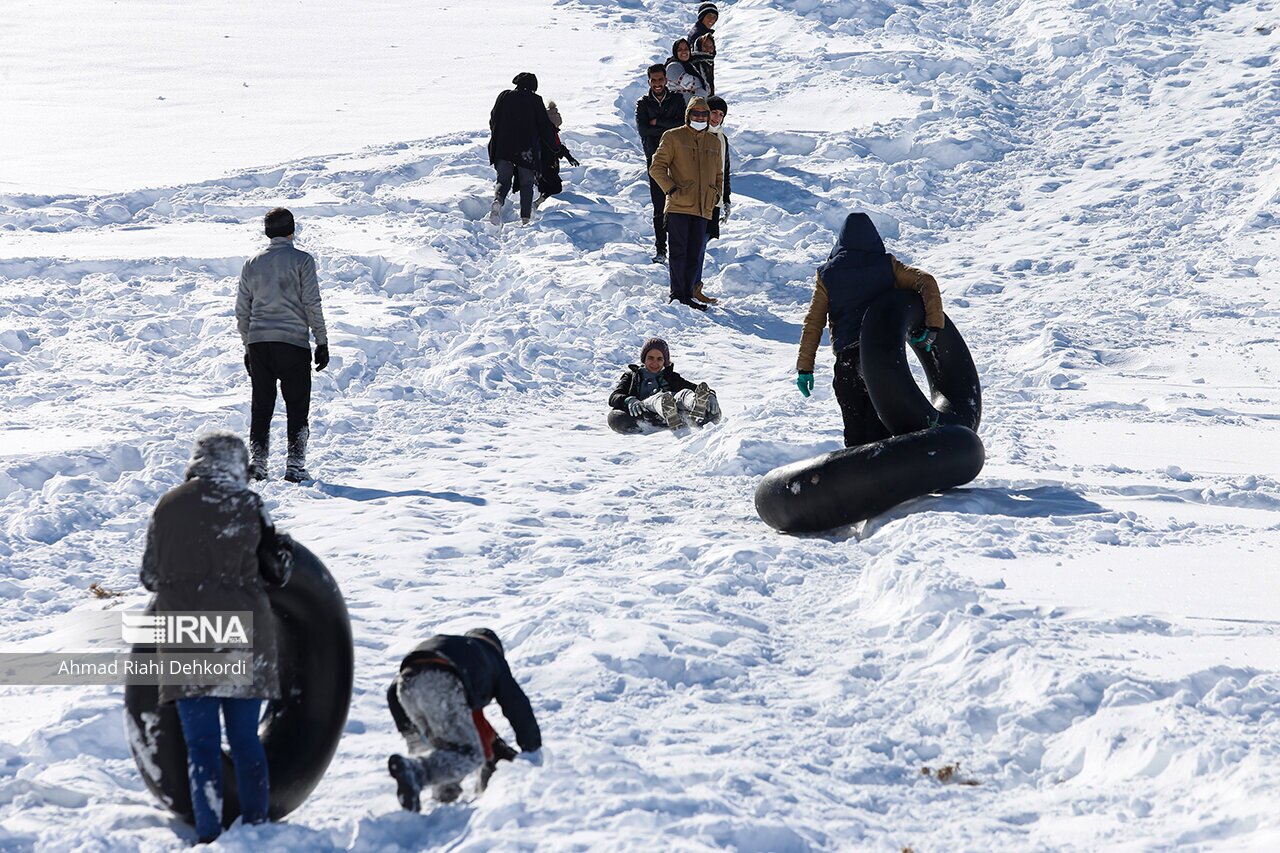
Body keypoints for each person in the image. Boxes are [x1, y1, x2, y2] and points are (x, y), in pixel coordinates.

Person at [141, 431, 293, 844]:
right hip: (244, 636)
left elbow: (149, 577)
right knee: (246, 740)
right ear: (236, 464)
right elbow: (278, 572)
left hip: (185, 637)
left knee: (202, 747)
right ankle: (256, 828)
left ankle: (208, 834)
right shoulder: (248, 505)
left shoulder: (167, 506)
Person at [795, 213, 945, 448]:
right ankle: (896, 474)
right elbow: (925, 280)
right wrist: (933, 325)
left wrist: (805, 368)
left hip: (847, 361)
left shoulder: (828, 274)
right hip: (882, 359)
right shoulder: (887, 266)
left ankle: (858, 477)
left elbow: (813, 323)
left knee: (854, 431)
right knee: (883, 426)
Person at [386, 629, 541, 812]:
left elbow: (393, 691)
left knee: (446, 748)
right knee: (471, 754)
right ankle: (417, 772)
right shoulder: (491, 657)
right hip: (439, 679)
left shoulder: (459, 649)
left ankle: (444, 796)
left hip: (403, 689)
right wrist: (533, 749)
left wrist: (411, 735)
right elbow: (516, 704)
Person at [236, 207, 329, 483]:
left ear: (267, 232)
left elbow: (243, 310)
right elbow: (312, 302)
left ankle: (259, 464)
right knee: (297, 406)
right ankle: (295, 465)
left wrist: (247, 347)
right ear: (292, 231)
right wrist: (321, 340)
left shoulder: (252, 263)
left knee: (261, 406)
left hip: (260, 344)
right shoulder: (302, 261)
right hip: (293, 345)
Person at [649, 97, 722, 311]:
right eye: (695, 114)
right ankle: (678, 295)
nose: (699, 117)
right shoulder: (673, 137)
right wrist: (671, 189)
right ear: (688, 114)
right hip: (679, 205)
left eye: (703, 114)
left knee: (695, 251)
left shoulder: (713, 142)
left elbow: (718, 174)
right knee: (679, 251)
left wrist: (715, 194)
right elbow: (657, 167)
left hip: (703, 207)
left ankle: (689, 293)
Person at [488, 72, 561, 225]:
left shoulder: (504, 96)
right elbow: (543, 126)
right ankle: (525, 218)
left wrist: (499, 138)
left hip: (503, 146)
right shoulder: (535, 100)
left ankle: (497, 201)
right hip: (526, 150)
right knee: (526, 183)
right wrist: (555, 147)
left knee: (503, 180)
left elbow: (493, 118)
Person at [609, 337, 720, 430]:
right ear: (644, 359)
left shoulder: (669, 376)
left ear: (664, 361)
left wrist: (710, 395)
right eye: (650, 358)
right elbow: (614, 397)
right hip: (648, 407)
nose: (655, 363)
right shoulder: (632, 376)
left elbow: (695, 388)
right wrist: (629, 400)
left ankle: (695, 405)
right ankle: (670, 414)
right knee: (659, 399)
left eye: (659, 359)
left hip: (673, 401)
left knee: (684, 393)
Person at [635, 64, 686, 264]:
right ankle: (660, 249)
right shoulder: (643, 103)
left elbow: (681, 125)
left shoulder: (677, 99)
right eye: (653, 80)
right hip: (655, 160)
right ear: (649, 81)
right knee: (658, 206)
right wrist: (666, 124)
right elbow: (644, 130)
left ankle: (677, 248)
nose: (657, 83)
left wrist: (657, 122)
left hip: (676, 158)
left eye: (660, 79)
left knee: (677, 204)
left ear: (666, 80)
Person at [693, 95, 732, 305]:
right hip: (697, 200)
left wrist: (726, 199)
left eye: (721, 114)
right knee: (695, 245)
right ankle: (690, 286)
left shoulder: (722, 138)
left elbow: (725, 172)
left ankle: (695, 285)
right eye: (714, 112)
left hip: (714, 201)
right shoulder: (698, 134)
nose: (716, 118)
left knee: (702, 244)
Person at [531, 101, 580, 209]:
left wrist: (569, 157)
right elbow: (557, 148)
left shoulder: (547, 131)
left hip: (544, 165)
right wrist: (569, 157)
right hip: (546, 164)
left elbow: (558, 148)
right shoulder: (548, 133)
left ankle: (539, 204)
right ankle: (538, 204)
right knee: (555, 187)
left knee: (546, 186)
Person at [690, 32, 717, 98]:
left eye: (711, 47)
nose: (708, 49)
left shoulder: (709, 61)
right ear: (698, 47)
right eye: (705, 46)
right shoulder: (693, 61)